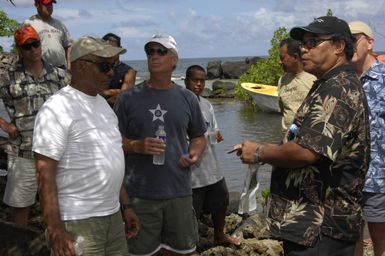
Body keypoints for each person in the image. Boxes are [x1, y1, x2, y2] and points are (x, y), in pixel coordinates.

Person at [236, 16, 370, 255]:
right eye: (304, 42)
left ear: (339, 47)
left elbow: (307, 152)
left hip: (321, 227)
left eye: (313, 41)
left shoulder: (339, 88)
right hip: (310, 225)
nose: (304, 49)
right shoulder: (328, 83)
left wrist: (259, 152)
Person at [32, 36, 139, 255]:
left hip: (112, 217)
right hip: (78, 221)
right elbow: (44, 174)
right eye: (104, 66)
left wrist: (125, 206)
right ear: (81, 66)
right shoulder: (57, 108)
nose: (111, 73)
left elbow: (110, 158)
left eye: (113, 66)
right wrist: (55, 230)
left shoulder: (104, 106)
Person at [114, 34, 207, 256]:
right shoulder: (128, 98)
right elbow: (112, 143)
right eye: (150, 52)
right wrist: (136, 146)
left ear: (174, 60)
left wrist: (194, 154)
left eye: (161, 51)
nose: (154, 56)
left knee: (181, 252)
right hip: (140, 195)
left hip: (179, 192)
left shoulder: (187, 98)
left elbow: (198, 136)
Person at [0, 25, 69, 225]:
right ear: (20, 50)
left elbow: (75, 105)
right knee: (20, 207)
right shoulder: (7, 77)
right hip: (24, 152)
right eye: (27, 46)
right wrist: (5, 125)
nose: (33, 49)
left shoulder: (59, 75)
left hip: (58, 153)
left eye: (35, 43)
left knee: (61, 205)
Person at [184, 65, 240, 246]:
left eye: (202, 80)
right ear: (186, 81)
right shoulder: (181, 105)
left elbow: (213, 131)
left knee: (221, 199)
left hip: (212, 167)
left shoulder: (207, 105)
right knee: (192, 211)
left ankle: (219, 235)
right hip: (192, 172)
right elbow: (183, 138)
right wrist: (207, 136)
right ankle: (188, 245)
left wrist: (217, 135)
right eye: (195, 80)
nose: (199, 84)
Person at [349, 21, 385, 256]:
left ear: (370, 42)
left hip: (378, 175)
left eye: (354, 39)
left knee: (379, 236)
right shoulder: (343, 81)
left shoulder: (383, 79)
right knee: (351, 235)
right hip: (347, 175)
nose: (348, 45)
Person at [278, 38, 316, 141]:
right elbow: (283, 111)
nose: (279, 62)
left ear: (295, 57)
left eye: (282, 58)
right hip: (287, 140)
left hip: (307, 140)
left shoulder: (314, 77)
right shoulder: (282, 80)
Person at [24, 0, 72, 69]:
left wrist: (69, 68)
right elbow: (23, 49)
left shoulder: (60, 25)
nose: (49, 7)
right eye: (46, 4)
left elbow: (68, 47)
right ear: (37, 4)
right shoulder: (29, 24)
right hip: (40, 70)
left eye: (51, 4)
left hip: (61, 69)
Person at [101, 33, 137, 106]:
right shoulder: (98, 67)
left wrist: (105, 94)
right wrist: (116, 91)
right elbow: (91, 92)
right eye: (106, 48)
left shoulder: (128, 71)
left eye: (113, 49)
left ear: (119, 49)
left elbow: (124, 97)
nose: (110, 52)